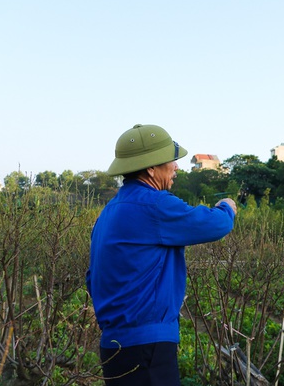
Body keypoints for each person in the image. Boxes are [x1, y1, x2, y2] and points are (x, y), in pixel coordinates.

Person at [86, 124, 237, 386]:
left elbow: (93, 277)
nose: (176, 166)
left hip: (113, 346)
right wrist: (227, 207)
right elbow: (215, 225)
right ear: (151, 167)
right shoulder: (154, 204)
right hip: (147, 347)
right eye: (171, 160)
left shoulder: (108, 213)